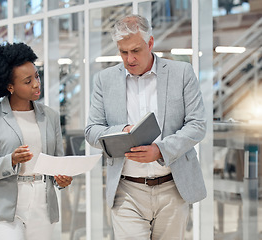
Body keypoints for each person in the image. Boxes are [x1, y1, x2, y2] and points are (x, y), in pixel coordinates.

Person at [85, 14, 207, 239]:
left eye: (136, 50)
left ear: (150, 43)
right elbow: (92, 130)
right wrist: (122, 132)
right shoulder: (104, 80)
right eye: (123, 52)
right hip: (126, 190)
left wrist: (160, 149)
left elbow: (197, 124)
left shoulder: (181, 73)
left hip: (173, 187)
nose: (129, 59)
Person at [0, 42, 73, 240]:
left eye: (36, 76)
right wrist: (10, 160)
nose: (36, 83)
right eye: (27, 81)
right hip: (3, 207)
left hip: (42, 207)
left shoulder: (50, 116)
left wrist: (62, 179)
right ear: (10, 86)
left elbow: (57, 162)